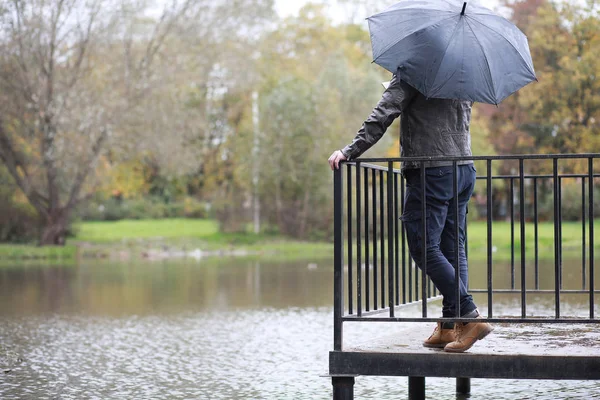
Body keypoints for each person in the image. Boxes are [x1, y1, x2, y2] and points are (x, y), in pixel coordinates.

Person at [328, 73, 493, 353]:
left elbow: (384, 112)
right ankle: (450, 325)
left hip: (432, 169)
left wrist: (350, 151)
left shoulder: (415, 66)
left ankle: (468, 315)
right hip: (464, 167)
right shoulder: (462, 70)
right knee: (454, 249)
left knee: (423, 248)